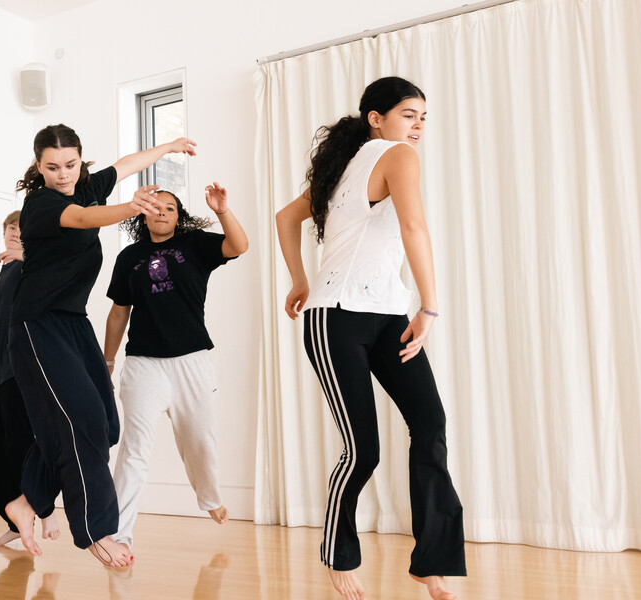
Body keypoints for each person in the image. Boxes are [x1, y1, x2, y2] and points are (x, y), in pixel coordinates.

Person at [274, 76, 465, 600]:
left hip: (384, 315)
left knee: (430, 423)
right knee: (363, 449)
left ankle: (434, 560)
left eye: (423, 116)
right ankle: (338, 552)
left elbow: (286, 218)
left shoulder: (348, 165)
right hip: (335, 318)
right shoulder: (394, 155)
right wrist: (429, 305)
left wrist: (298, 277)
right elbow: (414, 228)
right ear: (376, 118)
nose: (418, 126)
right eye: (408, 114)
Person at [3, 123, 196, 567]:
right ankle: (95, 530)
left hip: (72, 322)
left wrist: (169, 146)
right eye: (52, 167)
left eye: (70, 164)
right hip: (37, 323)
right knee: (82, 418)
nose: (63, 174)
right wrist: (131, 206)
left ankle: (27, 499)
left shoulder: (87, 183)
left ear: (80, 159)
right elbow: (84, 218)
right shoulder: (42, 203)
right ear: (39, 166)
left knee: (106, 423)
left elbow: (126, 165)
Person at [103, 184, 248, 554]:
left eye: (170, 207)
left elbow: (239, 246)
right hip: (143, 365)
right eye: (155, 206)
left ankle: (210, 498)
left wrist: (222, 211)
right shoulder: (129, 257)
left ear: (178, 215)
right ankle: (119, 534)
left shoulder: (195, 245)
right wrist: (107, 359)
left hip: (192, 362)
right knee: (134, 449)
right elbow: (119, 312)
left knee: (199, 441)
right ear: (143, 213)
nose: (162, 212)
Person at [0, 210, 60, 548]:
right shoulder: (7, 268)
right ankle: (13, 521)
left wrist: (25, 256)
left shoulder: (31, 265)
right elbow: (0, 323)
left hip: (20, 370)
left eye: (22, 227)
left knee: (23, 443)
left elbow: (52, 283)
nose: (14, 231)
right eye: (10, 226)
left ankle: (45, 508)